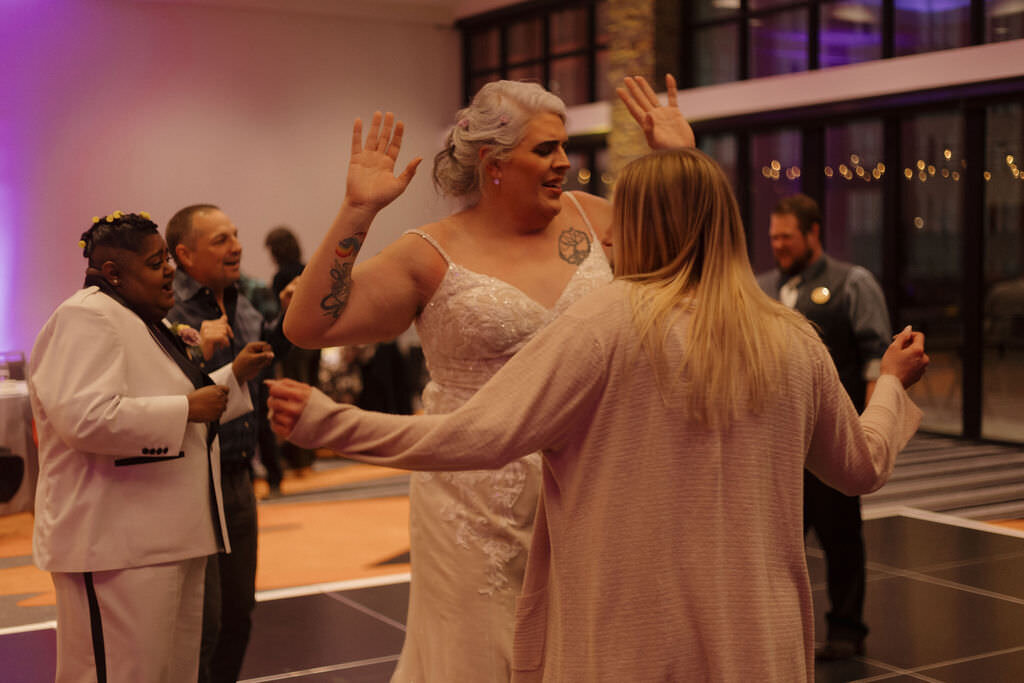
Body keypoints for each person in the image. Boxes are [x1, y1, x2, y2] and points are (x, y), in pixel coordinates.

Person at [268, 148, 929, 680]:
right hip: (761, 644)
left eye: (616, 225)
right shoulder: (793, 337)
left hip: (630, 641)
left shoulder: (602, 325)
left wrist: (329, 422)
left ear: (639, 227)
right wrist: (893, 387)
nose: (601, 238)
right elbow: (862, 467)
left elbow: (479, 432)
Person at [281, 75, 694, 680]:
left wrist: (679, 161)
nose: (563, 162)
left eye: (563, 147)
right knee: (482, 653)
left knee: (586, 648)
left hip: (591, 477)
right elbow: (308, 326)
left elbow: (697, 266)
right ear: (495, 163)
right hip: (473, 496)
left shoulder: (597, 219)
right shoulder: (430, 253)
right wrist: (358, 210)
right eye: (545, 149)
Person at [28, 211, 267, 682]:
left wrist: (230, 379)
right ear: (113, 271)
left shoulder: (138, 319)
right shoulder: (85, 316)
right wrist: (186, 409)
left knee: (168, 672)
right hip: (114, 545)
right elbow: (83, 417)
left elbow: (162, 401)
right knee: (121, 673)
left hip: (165, 538)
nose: (170, 271)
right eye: (157, 262)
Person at [756, 193, 892, 660]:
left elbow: (876, 357)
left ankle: (847, 630)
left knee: (840, 538)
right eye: (773, 238)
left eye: (787, 237)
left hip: (834, 435)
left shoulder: (854, 283)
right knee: (777, 540)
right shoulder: (762, 287)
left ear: (813, 233)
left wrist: (871, 425)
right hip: (780, 444)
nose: (778, 246)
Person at [164, 204, 287, 683]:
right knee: (202, 626)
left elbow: (262, 368)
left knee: (239, 616)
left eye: (235, 235)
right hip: (190, 482)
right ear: (184, 254)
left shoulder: (247, 302)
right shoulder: (166, 314)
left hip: (238, 480)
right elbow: (167, 398)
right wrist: (199, 349)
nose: (235, 246)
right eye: (219, 239)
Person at [265, 226, 321, 473]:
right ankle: (310, 456)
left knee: (295, 398)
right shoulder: (307, 269)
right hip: (314, 339)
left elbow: (279, 313)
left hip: (292, 343)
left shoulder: (281, 277)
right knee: (312, 392)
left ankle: (299, 459)